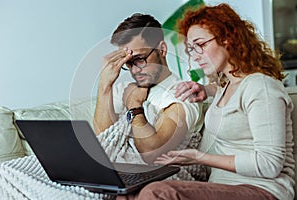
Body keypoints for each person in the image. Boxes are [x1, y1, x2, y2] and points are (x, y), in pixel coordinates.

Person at [119, 3, 295, 200]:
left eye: (201, 45)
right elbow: (227, 92)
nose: (196, 56)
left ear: (228, 39)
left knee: (157, 192)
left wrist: (200, 158)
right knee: (125, 194)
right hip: (221, 187)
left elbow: (269, 165)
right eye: (191, 49)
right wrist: (206, 89)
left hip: (263, 189)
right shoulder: (226, 86)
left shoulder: (261, 87)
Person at [93, 13, 204, 164]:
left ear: (162, 50)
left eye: (139, 59)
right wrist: (104, 85)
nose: (134, 70)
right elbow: (103, 142)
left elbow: (151, 154)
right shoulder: (123, 89)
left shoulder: (182, 95)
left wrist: (134, 106)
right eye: (129, 63)